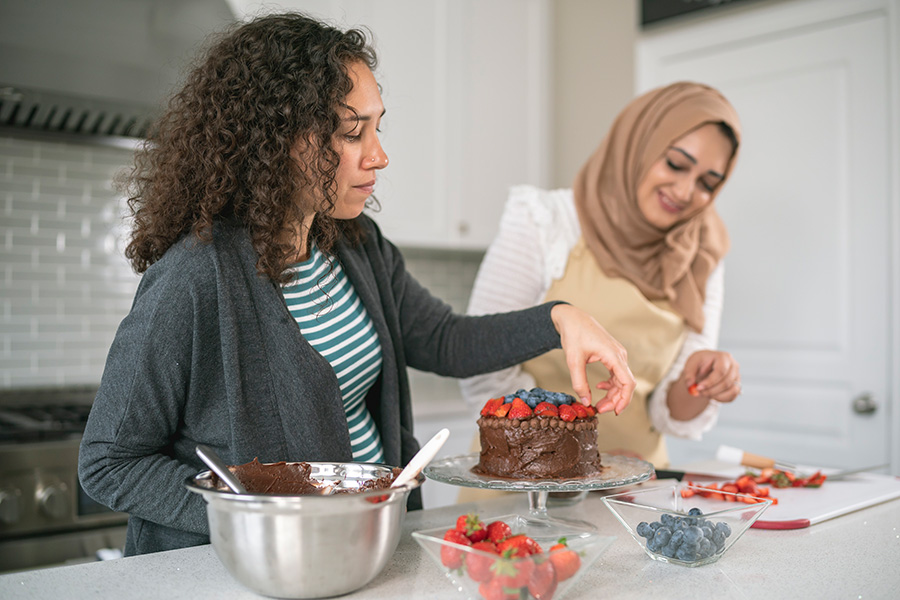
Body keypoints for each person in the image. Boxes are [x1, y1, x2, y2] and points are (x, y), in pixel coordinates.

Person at [77, 12, 635, 556]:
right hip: (245, 567)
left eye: (377, 126)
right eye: (351, 132)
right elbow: (108, 462)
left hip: (364, 549)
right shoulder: (195, 277)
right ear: (276, 142)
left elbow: (444, 339)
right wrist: (253, 514)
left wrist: (559, 316)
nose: (380, 155)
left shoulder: (357, 244)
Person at [461, 82, 742, 468]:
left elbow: (669, 413)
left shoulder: (703, 253)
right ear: (639, 145)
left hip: (635, 487)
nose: (685, 190)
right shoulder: (545, 220)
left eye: (708, 183)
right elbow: (481, 365)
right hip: (521, 482)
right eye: (676, 164)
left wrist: (704, 381)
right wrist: (585, 460)